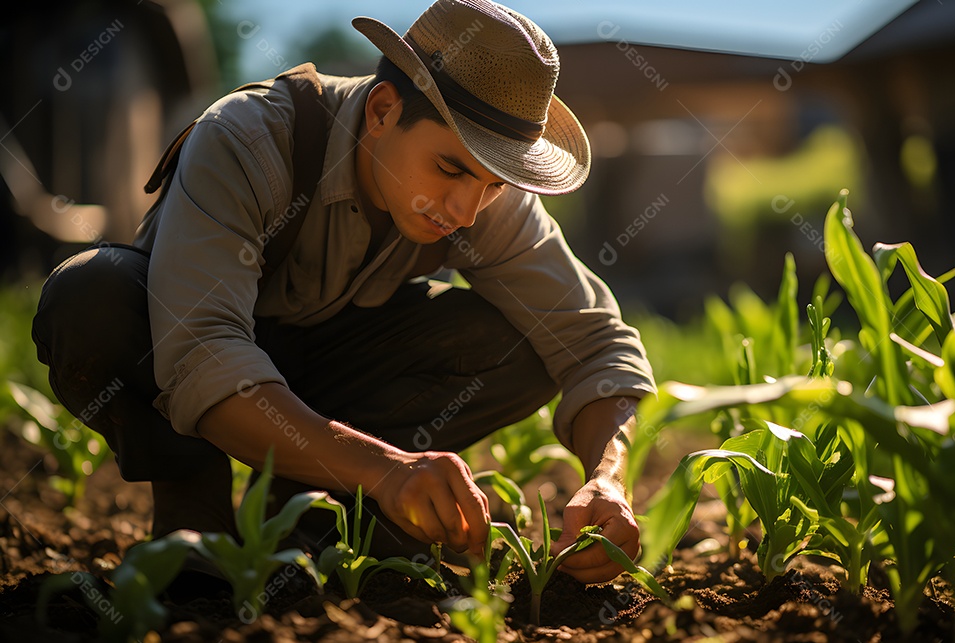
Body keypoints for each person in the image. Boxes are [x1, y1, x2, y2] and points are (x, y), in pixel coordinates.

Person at [32, 0, 655, 585]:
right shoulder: (248, 139)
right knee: (91, 295)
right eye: (450, 168)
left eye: (493, 184)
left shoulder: (485, 200)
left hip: (318, 377)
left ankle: (306, 517)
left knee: (519, 339)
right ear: (382, 112)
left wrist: (609, 478)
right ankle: (194, 509)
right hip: (183, 360)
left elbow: (595, 343)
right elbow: (201, 351)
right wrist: (387, 471)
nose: (467, 210)